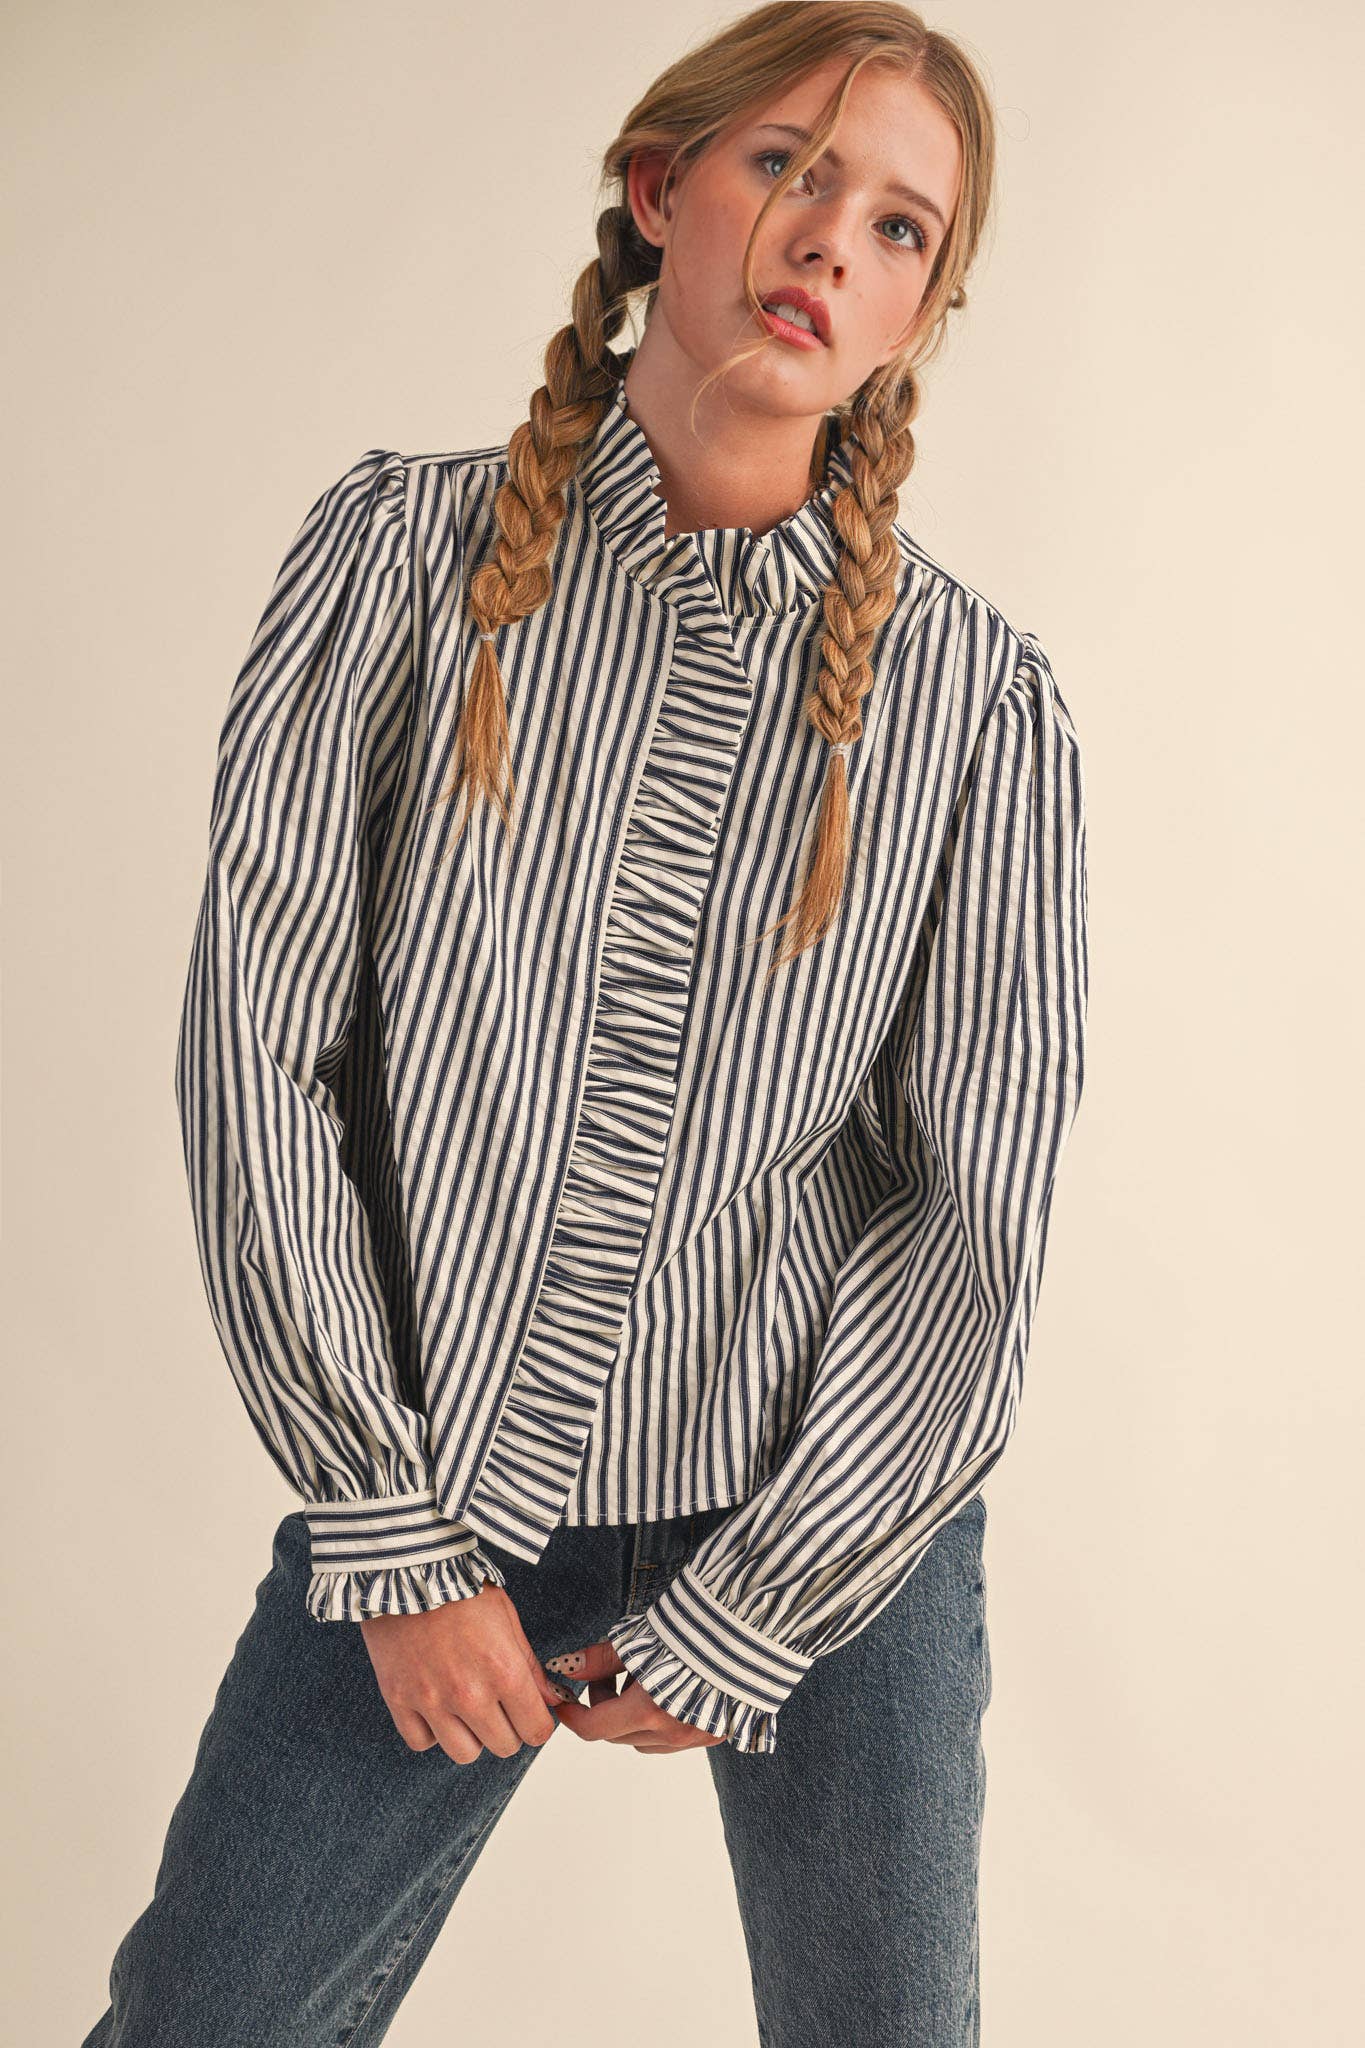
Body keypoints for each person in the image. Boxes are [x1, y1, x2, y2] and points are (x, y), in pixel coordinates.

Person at [82, 3, 1088, 2042]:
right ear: (657, 188)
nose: (831, 239)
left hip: (826, 1505)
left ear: (917, 314)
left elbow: (964, 1210)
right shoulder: (396, 560)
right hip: (430, 1474)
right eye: (787, 167)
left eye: (899, 227)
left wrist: (765, 1596)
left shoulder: (976, 706)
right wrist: (394, 1533)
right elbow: (264, 1054)